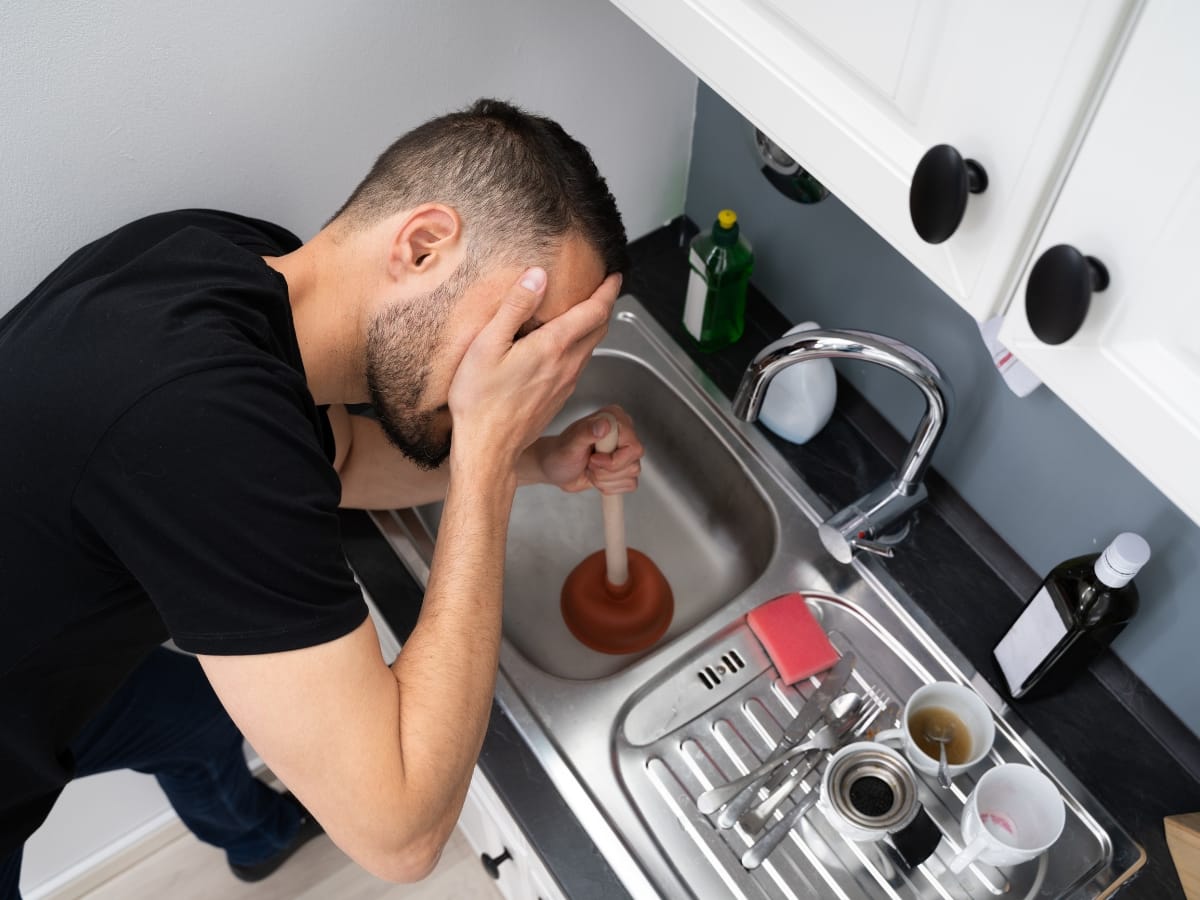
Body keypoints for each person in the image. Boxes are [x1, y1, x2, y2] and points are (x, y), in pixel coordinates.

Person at [0, 98, 642, 896]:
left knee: (196, 721)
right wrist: (486, 457)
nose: (527, 382)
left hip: (46, 638)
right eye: (524, 334)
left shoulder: (241, 262)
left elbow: (342, 460)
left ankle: (255, 833)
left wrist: (538, 458)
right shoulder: (200, 422)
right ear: (423, 245)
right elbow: (401, 835)